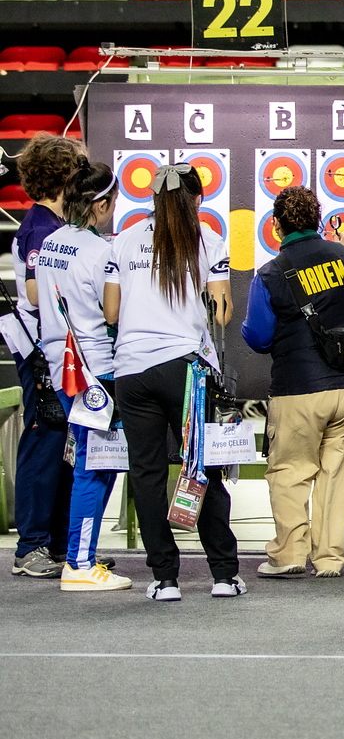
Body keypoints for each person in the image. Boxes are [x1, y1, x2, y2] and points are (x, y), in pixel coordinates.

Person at [103, 163, 241, 602]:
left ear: (155, 200)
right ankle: (222, 575)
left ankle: (164, 579)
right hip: (185, 368)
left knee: (145, 473)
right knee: (201, 467)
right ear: (197, 200)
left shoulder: (121, 241)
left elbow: (110, 313)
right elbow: (221, 313)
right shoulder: (209, 241)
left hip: (130, 369)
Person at [242, 185, 344, 579]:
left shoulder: (270, 274)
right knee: (338, 475)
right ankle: (329, 559)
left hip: (299, 388)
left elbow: (257, 337)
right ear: (319, 221)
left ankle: (289, 555)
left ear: (276, 227)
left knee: (290, 470)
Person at [34, 161, 131, 591]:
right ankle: (80, 562)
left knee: (90, 464)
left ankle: (80, 555)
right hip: (96, 371)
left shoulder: (51, 242)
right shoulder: (103, 252)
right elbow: (112, 314)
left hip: (63, 367)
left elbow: (40, 300)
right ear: (103, 203)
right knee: (96, 467)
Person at [7, 134, 76, 578]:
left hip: (58, 348)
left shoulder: (56, 227)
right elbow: (35, 290)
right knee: (43, 438)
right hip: (40, 350)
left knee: (62, 446)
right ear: (65, 177)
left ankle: (52, 541)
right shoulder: (40, 229)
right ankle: (30, 545)